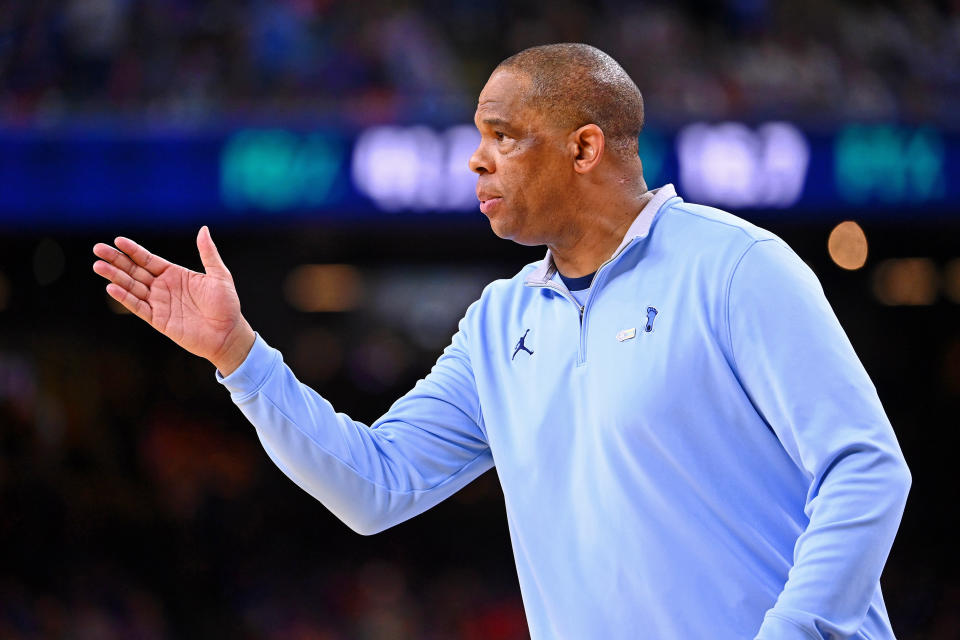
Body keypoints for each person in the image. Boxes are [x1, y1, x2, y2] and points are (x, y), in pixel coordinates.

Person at [92, 43, 911, 640]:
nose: (476, 162)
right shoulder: (500, 320)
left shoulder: (738, 267)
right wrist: (240, 357)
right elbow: (376, 487)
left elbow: (865, 466)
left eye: (502, 135)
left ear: (585, 147)